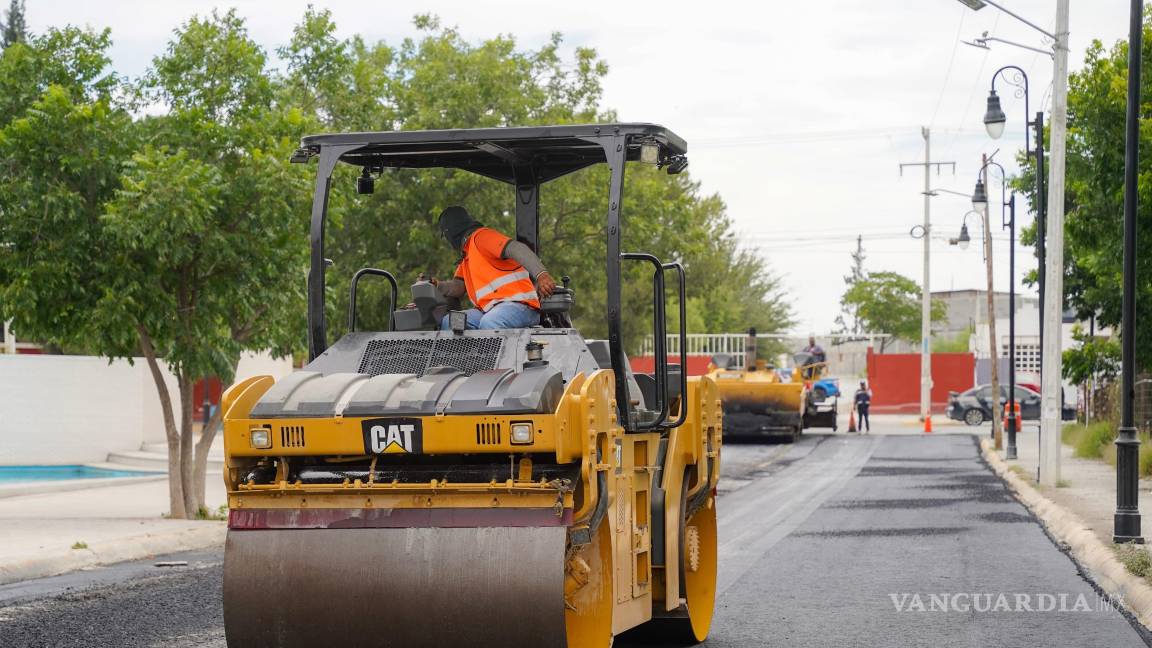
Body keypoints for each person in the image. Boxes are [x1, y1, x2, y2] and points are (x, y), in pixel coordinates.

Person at [432, 206, 556, 330]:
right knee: (450, 322)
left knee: (490, 323)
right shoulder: (467, 255)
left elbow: (516, 248)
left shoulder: (481, 237)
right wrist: (437, 285)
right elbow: (458, 286)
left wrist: (541, 274)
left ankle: (490, 349)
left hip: (520, 306)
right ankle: (473, 350)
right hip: (488, 310)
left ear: (450, 231)